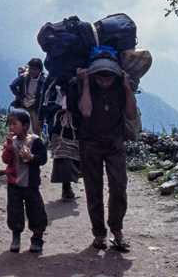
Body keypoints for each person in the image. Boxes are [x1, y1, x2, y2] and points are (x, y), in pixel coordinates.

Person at [67, 54, 137, 252]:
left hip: (115, 143)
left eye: (109, 79)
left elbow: (131, 114)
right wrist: (87, 83)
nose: (105, 82)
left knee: (119, 186)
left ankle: (117, 230)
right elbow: (86, 112)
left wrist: (126, 87)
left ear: (116, 76)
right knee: (94, 189)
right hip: (90, 143)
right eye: (100, 78)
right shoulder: (84, 85)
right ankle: (99, 233)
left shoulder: (121, 87)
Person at [1, 107, 48, 254]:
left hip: (31, 185)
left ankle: (37, 239)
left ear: (25, 126)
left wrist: (31, 158)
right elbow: (5, 160)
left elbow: (43, 159)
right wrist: (8, 146)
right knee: (14, 212)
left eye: (15, 124)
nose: (11, 127)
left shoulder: (36, 142)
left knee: (36, 212)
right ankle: (16, 238)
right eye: (10, 124)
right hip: (14, 184)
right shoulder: (11, 143)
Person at [40, 74, 80, 200]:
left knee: (76, 151)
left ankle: (70, 183)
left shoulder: (82, 75)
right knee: (63, 152)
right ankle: (66, 186)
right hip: (58, 119)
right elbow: (44, 96)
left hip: (77, 119)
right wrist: (42, 116)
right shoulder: (53, 77)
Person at [9, 58, 46, 134]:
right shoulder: (24, 77)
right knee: (22, 129)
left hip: (35, 108)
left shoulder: (44, 80)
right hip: (24, 106)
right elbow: (12, 85)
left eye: (35, 69)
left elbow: (47, 95)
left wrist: (39, 103)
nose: (32, 71)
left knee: (36, 130)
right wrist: (19, 98)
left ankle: (35, 145)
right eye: (31, 68)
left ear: (40, 70)